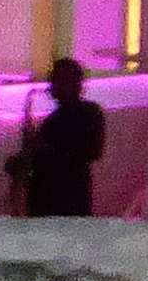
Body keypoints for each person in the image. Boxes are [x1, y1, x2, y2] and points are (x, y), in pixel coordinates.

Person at [8, 57, 109, 217]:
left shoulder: (89, 113)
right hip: (45, 203)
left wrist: (41, 149)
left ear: (76, 83)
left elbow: (91, 151)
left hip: (68, 200)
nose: (51, 85)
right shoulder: (53, 119)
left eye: (58, 79)